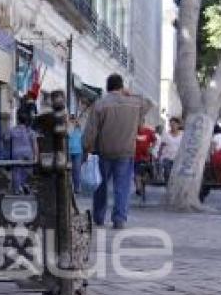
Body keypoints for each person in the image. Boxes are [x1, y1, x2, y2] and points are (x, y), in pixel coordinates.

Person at [83, 73, 152, 229]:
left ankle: (99, 217)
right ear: (121, 87)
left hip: (104, 150)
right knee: (122, 187)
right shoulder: (134, 103)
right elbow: (149, 103)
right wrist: (130, 93)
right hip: (126, 152)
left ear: (107, 87)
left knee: (100, 185)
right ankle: (119, 218)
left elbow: (91, 130)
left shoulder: (100, 104)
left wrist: (87, 147)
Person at [9, 109, 39, 194]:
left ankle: (17, 189)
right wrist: (36, 156)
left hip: (16, 152)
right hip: (28, 152)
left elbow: (6, 139)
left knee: (16, 170)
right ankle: (25, 184)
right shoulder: (30, 131)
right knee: (27, 170)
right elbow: (35, 145)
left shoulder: (13, 130)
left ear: (18, 120)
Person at [133, 124, 157, 196]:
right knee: (136, 172)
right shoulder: (133, 131)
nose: (139, 126)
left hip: (146, 156)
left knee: (146, 171)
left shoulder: (148, 131)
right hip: (135, 156)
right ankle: (138, 188)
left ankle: (144, 180)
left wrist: (151, 148)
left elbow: (155, 141)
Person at [159, 117, 183, 184]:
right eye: (171, 124)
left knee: (177, 174)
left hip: (178, 158)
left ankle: (174, 186)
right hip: (167, 157)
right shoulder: (166, 134)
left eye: (174, 124)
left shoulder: (182, 134)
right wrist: (159, 156)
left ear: (178, 125)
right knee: (167, 173)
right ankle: (168, 186)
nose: (173, 126)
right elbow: (161, 146)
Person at [67, 114, 84, 193]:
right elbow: (69, 134)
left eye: (74, 120)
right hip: (69, 152)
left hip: (78, 152)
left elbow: (83, 138)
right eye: (71, 120)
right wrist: (71, 126)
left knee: (77, 170)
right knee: (69, 170)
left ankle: (77, 187)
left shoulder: (80, 129)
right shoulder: (68, 128)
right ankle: (69, 187)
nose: (73, 121)